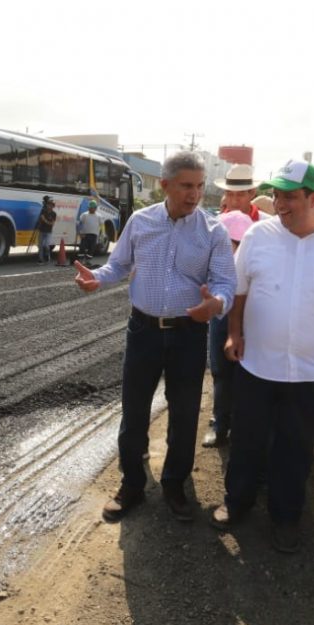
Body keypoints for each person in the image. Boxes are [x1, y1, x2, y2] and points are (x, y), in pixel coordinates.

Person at [210, 159, 314, 555]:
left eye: (290, 196)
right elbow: (240, 290)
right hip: (257, 363)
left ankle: (285, 517)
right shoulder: (258, 236)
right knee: (247, 440)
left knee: (295, 447)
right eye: (277, 194)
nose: (280, 203)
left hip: (312, 369)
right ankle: (238, 502)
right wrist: (234, 334)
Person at [72, 150, 236, 523]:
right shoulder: (141, 221)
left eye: (199, 186)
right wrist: (96, 278)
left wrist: (217, 304)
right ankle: (131, 483)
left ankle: (175, 484)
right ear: (165, 185)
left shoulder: (214, 231)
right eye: (186, 186)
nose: (194, 195)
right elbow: (119, 264)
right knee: (134, 410)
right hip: (143, 330)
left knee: (184, 413)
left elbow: (227, 281)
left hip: (189, 334)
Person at [203, 209, 255, 448]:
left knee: (248, 375)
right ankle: (220, 425)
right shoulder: (213, 261)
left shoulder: (253, 260)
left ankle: (242, 427)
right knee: (221, 372)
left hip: (251, 319)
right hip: (221, 318)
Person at [77, 200, 102, 265]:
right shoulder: (84, 215)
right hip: (85, 234)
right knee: (82, 247)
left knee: (91, 248)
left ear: (95, 208)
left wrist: (101, 235)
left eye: (92, 208)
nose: (91, 209)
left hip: (94, 234)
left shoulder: (99, 216)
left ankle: (87, 260)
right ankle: (80, 260)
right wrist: (80, 233)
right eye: (90, 207)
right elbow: (79, 224)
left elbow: (101, 226)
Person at [36, 197, 56, 264]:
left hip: (48, 231)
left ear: (53, 206)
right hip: (41, 230)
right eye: (48, 204)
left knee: (46, 245)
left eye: (51, 205)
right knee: (40, 245)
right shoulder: (43, 211)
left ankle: (47, 255)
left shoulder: (54, 214)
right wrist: (47, 222)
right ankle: (40, 259)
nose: (49, 206)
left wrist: (45, 221)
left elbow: (52, 223)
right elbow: (42, 218)